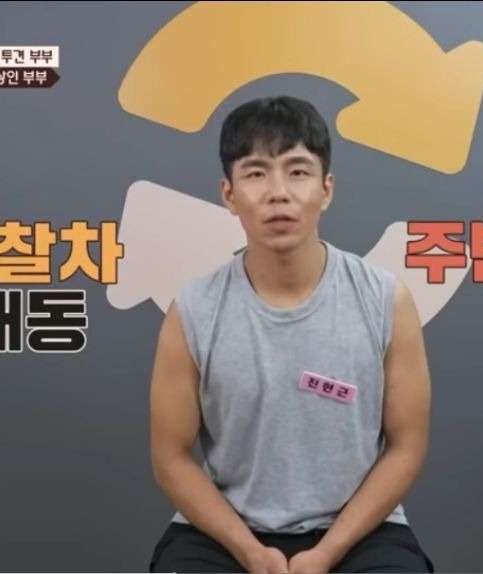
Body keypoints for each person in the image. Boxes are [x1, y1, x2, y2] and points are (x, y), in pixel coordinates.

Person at [148, 95, 433, 573]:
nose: (278, 192)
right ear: (229, 195)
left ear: (326, 189)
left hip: (358, 530)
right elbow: (171, 457)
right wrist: (249, 551)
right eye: (256, 173)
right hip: (225, 531)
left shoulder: (385, 299)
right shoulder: (193, 310)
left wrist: (326, 553)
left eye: (298, 171)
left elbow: (406, 447)